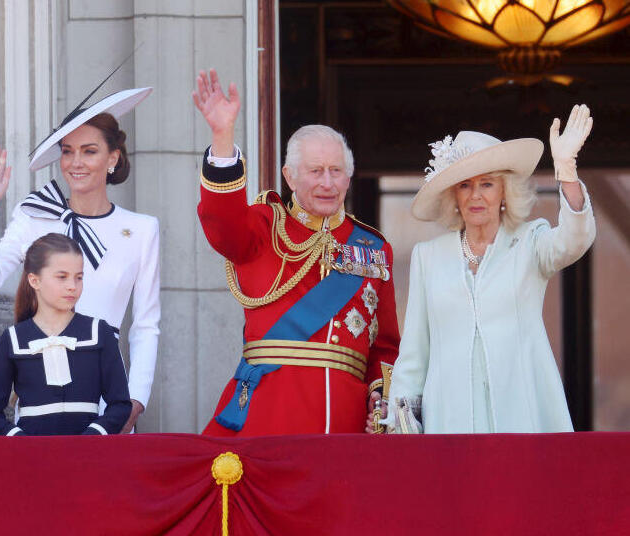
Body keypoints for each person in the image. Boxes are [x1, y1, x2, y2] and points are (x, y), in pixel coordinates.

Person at [192, 69, 400, 436]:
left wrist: (378, 401)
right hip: (267, 416)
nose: (327, 182)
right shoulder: (263, 227)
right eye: (315, 171)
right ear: (289, 176)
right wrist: (222, 136)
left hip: (345, 423)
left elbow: (385, 347)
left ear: (349, 178)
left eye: (336, 171)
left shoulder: (373, 248)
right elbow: (221, 222)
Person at [385, 105, 595, 434]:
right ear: (454, 195)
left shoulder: (530, 241)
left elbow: (574, 240)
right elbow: (414, 351)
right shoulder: (428, 257)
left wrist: (566, 170)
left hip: (522, 415)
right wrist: (403, 419)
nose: (476, 196)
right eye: (465, 185)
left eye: (487, 184)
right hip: (449, 420)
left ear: (503, 193)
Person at [0, 87, 159, 433]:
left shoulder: (142, 230)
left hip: (108, 393)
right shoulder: (35, 215)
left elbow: (145, 325)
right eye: (68, 151)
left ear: (113, 157)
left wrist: (135, 400)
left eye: (89, 151)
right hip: (41, 389)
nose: (75, 162)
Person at [0, 234, 131, 436]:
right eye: (62, 277)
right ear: (34, 280)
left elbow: (120, 404)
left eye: (79, 277)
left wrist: (93, 436)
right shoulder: (13, 339)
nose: (72, 286)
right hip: (34, 460)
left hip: (88, 459)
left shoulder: (99, 332)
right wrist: (21, 441)